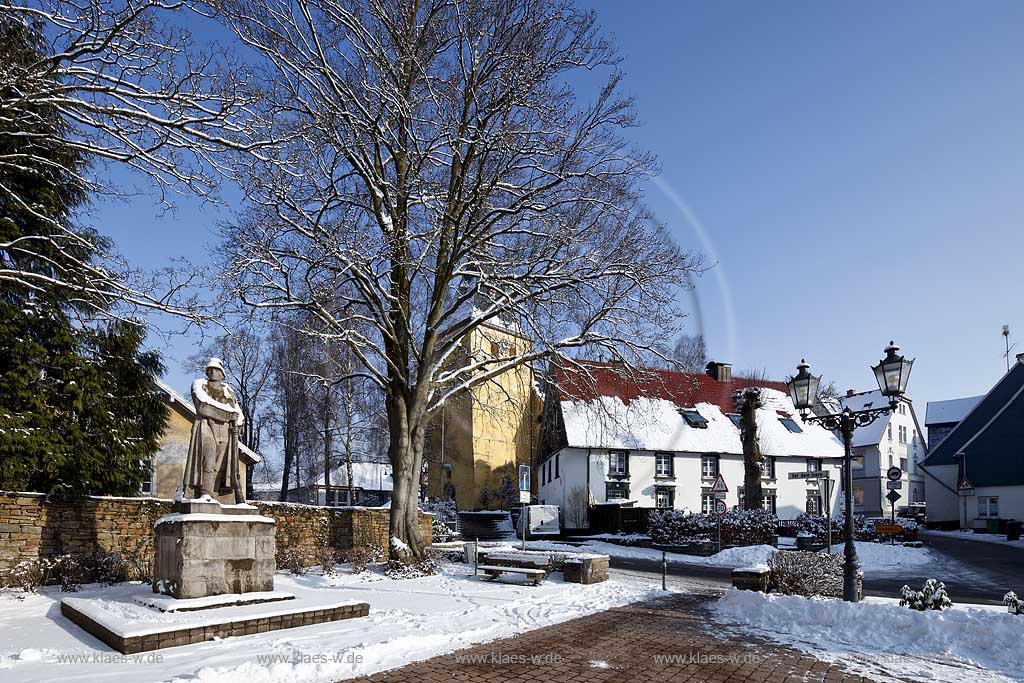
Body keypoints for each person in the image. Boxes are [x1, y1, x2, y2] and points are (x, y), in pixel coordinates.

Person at [182, 358, 246, 503]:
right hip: (206, 427)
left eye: (216, 369)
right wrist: (229, 415)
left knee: (222, 466)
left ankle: (215, 494)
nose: (212, 371)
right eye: (209, 369)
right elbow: (203, 406)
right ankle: (205, 493)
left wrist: (238, 421)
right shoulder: (199, 384)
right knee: (208, 461)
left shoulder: (228, 390)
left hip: (226, 431)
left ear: (222, 374)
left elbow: (238, 414)